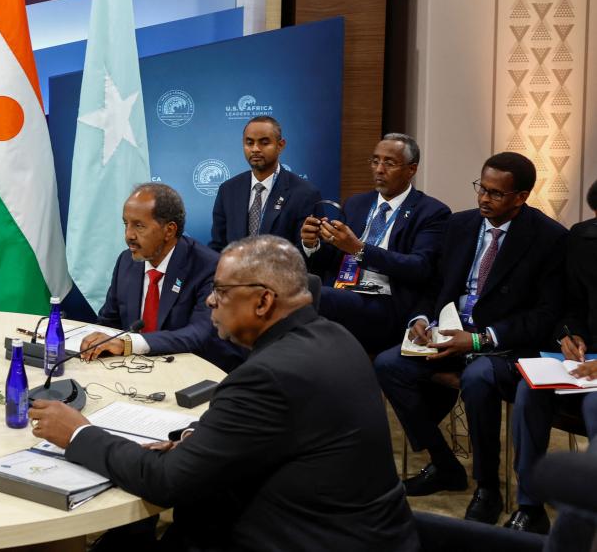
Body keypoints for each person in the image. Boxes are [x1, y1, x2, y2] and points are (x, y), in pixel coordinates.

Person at [30, 235, 417, 551]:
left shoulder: (266, 375)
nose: (210, 301)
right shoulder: (335, 336)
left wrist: (78, 432)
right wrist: (195, 439)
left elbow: (167, 483)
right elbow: (280, 433)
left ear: (263, 300)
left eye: (219, 291)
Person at [374, 152, 568, 525]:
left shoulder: (548, 239)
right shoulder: (459, 225)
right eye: (482, 188)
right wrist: (422, 318)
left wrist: (480, 340)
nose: (483, 199)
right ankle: (444, 463)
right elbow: (433, 284)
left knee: (479, 379)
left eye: (495, 194)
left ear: (520, 197)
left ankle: (488, 486)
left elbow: (545, 315)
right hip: (446, 332)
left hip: (501, 345)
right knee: (387, 365)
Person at [301, 133, 450, 353]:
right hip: (342, 289)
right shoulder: (356, 204)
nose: (379, 169)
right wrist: (311, 243)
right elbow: (330, 259)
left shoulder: (431, 212)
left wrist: (359, 250)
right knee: (292, 284)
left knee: (313, 295)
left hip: (385, 303)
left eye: (389, 163)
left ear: (412, 169)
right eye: (375, 161)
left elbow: (419, 268)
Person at [507, 177, 597, 534]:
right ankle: (530, 506)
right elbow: (570, 305)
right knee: (529, 391)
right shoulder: (583, 239)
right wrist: (568, 335)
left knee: (594, 406)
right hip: (582, 359)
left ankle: (587, 517)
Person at [80, 183, 242, 371]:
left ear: (169, 230)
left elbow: (199, 334)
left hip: (191, 373)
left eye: (139, 226)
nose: (128, 235)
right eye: (126, 224)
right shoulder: (126, 262)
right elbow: (109, 321)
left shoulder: (209, 267)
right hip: (131, 371)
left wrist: (129, 343)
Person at [209, 115, 320, 252]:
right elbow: (218, 246)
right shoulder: (228, 190)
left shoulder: (305, 194)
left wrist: (309, 245)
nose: (255, 149)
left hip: (282, 272)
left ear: (280, 145)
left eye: (264, 143)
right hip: (236, 272)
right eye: (249, 143)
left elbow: (310, 255)